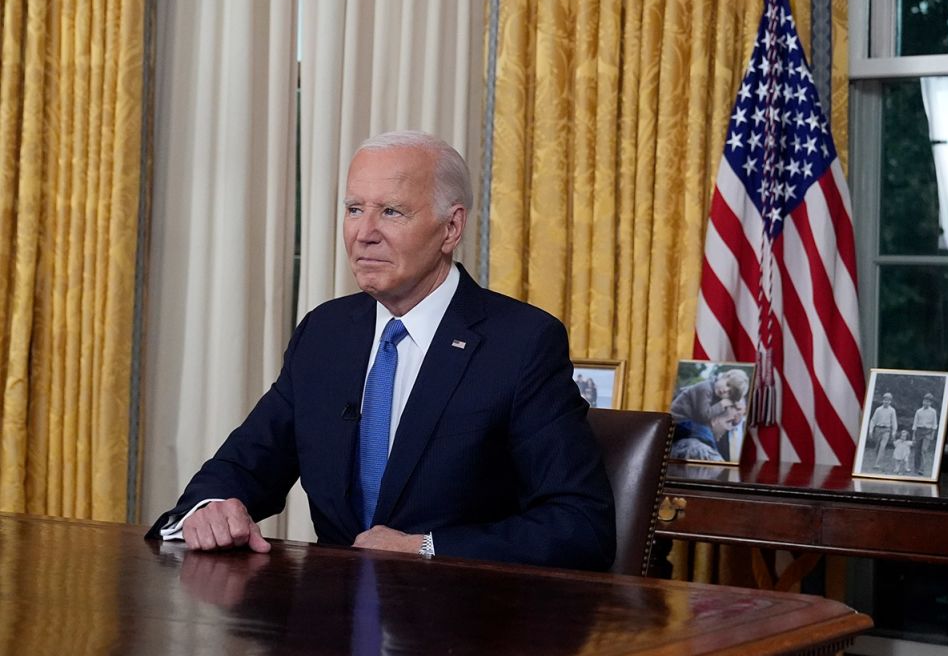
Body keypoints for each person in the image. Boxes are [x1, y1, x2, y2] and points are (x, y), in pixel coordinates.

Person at [147, 131, 616, 570]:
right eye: (354, 209)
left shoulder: (520, 343)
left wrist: (427, 548)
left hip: (461, 629)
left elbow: (581, 525)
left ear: (451, 228)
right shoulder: (326, 333)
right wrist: (210, 508)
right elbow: (246, 463)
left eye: (391, 212)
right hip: (328, 630)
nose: (364, 232)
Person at [669, 368, 749, 426]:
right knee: (704, 433)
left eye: (729, 392)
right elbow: (703, 416)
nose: (725, 390)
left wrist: (737, 417)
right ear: (724, 376)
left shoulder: (718, 395)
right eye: (727, 384)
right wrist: (722, 404)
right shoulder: (706, 388)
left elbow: (726, 413)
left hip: (687, 422)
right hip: (677, 419)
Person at [670, 399, 744, 462]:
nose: (729, 428)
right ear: (714, 420)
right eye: (728, 422)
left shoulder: (679, 440)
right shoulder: (706, 454)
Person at [868, 392, 898, 469]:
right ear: (883, 400)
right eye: (885, 400)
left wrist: (893, 432)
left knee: (882, 446)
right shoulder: (878, 410)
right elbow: (873, 420)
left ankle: (877, 464)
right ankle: (877, 459)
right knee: (877, 447)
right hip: (878, 429)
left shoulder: (892, 410)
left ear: (890, 401)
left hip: (886, 430)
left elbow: (894, 422)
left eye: (888, 400)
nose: (886, 402)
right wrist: (871, 430)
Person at [911, 392, 939, 474]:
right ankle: (916, 468)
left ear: (931, 403)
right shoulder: (919, 411)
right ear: (923, 401)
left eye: (928, 401)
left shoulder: (933, 412)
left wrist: (932, 434)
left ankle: (921, 469)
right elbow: (915, 424)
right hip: (919, 431)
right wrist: (913, 435)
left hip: (928, 432)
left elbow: (934, 424)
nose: (926, 403)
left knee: (924, 450)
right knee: (917, 451)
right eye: (925, 401)